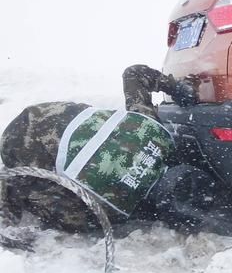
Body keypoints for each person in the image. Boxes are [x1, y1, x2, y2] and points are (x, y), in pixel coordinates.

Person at [0, 65, 199, 233]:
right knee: (43, 200)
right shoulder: (110, 211)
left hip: (46, 113)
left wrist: (179, 89)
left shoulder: (153, 132)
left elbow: (134, 73)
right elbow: (59, 211)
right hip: (21, 150)